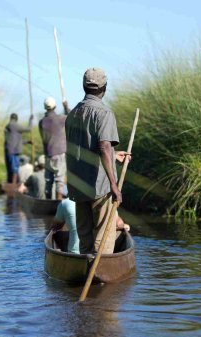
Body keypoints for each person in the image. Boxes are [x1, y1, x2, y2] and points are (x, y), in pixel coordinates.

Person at [65, 67, 130, 255]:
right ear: (105, 88)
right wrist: (114, 185)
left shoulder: (72, 114)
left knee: (85, 237)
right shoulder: (104, 113)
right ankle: (100, 278)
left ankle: (85, 274)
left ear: (83, 87)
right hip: (100, 186)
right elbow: (103, 147)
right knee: (103, 237)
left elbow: (85, 147)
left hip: (78, 185)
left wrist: (114, 156)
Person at [39, 96, 71, 200]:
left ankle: (48, 203)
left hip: (48, 155)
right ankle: (58, 205)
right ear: (55, 106)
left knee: (48, 182)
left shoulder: (41, 122)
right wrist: (66, 107)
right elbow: (71, 117)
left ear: (45, 107)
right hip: (60, 154)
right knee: (59, 181)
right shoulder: (60, 119)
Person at [4, 113, 33, 185]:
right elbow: (29, 129)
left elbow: (14, 140)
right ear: (16, 119)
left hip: (9, 150)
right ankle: (14, 185)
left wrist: (27, 142)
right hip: (13, 151)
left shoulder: (8, 126)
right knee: (15, 168)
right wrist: (31, 120)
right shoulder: (14, 125)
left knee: (10, 168)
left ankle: (10, 183)